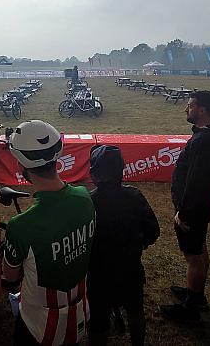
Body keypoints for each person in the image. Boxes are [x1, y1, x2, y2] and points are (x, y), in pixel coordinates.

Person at [2, 120, 96, 346]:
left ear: (20, 165)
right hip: (79, 309)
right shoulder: (85, 197)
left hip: (37, 323)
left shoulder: (21, 225)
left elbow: (11, 276)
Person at [160, 91, 210, 322]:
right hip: (199, 206)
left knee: (192, 256)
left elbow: (197, 181)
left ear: (202, 110)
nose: (187, 109)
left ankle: (191, 309)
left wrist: (183, 211)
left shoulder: (205, 141)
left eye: (191, 106)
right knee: (199, 248)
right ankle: (197, 293)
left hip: (193, 208)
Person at [87, 145, 160, 346]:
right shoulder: (134, 196)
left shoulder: (87, 202)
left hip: (98, 274)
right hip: (130, 268)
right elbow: (153, 231)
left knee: (98, 320)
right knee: (135, 310)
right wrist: (137, 245)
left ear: (94, 172)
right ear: (121, 170)